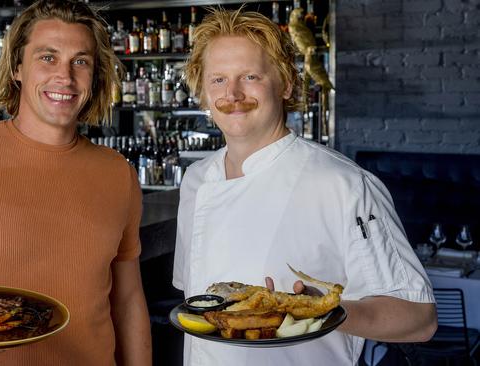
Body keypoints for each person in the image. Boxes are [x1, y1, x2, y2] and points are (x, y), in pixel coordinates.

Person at [172, 8, 437, 366]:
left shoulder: (343, 183)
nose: (232, 93)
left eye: (250, 76)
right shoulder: (197, 180)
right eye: (218, 79)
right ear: (203, 91)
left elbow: (419, 318)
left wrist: (322, 311)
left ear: (286, 83)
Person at [0, 1, 152, 365]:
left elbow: (128, 302)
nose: (64, 77)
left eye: (80, 61)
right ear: (17, 68)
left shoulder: (118, 173)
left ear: (94, 77)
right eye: (47, 58)